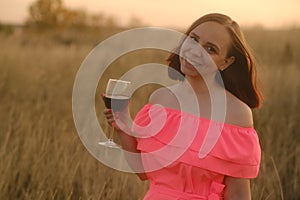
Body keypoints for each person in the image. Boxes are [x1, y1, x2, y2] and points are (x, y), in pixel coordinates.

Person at [104, 13, 263, 200]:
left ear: (226, 62)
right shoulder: (160, 100)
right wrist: (123, 129)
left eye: (210, 49)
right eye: (193, 40)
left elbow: (238, 195)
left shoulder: (236, 114)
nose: (195, 51)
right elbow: (143, 172)